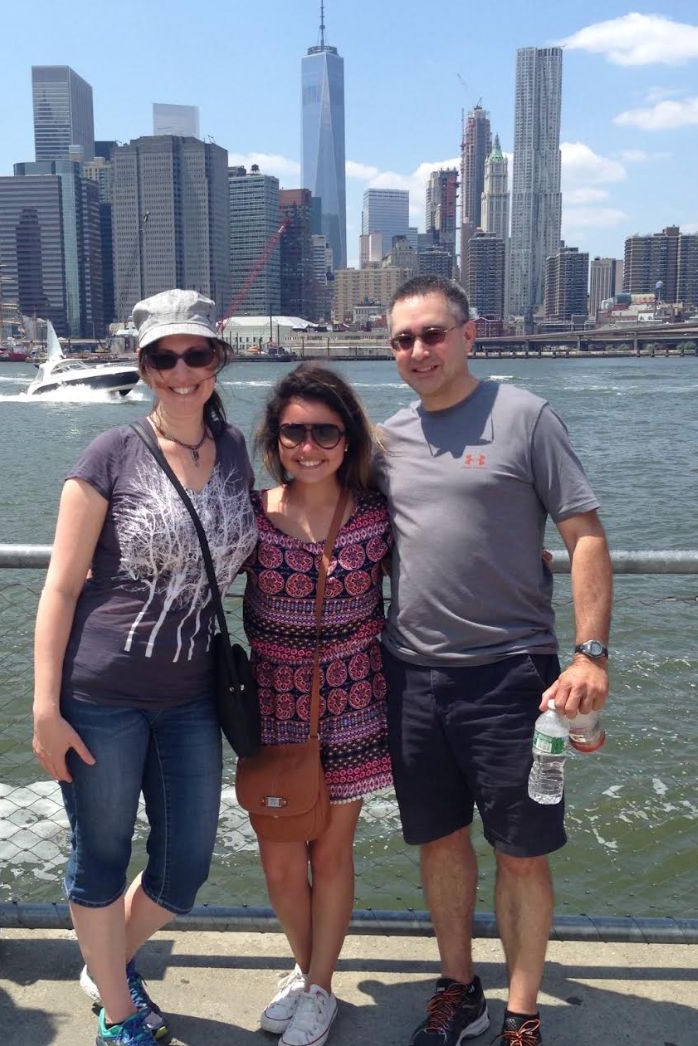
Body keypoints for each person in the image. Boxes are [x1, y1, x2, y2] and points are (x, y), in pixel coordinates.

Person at [376, 276, 612, 1046]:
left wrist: (589, 656)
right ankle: (458, 988)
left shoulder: (525, 416)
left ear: (469, 336)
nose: (420, 350)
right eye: (404, 339)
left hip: (514, 677)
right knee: (439, 842)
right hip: (409, 675)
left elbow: (586, 537)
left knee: (521, 852)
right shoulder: (385, 439)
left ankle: (521, 1009)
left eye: (433, 334)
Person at [32, 289, 257, 1046]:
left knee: (185, 864)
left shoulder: (233, 451)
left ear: (218, 359)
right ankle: (120, 1016)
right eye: (164, 357)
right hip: (100, 693)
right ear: (144, 366)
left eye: (197, 353)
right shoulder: (109, 453)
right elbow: (61, 585)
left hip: (192, 694)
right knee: (100, 853)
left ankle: (105, 964)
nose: (182, 370)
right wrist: (44, 708)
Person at [243, 363, 394, 1046]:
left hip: (355, 700)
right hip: (272, 707)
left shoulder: (376, 515)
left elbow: (453, 548)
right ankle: (307, 975)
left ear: (348, 437)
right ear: (275, 440)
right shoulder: (249, 514)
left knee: (330, 854)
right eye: (294, 432)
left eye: (325, 432)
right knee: (279, 859)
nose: (309, 446)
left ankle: (319, 987)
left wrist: (521, 558)